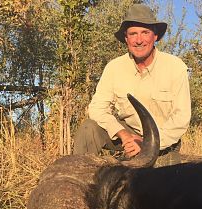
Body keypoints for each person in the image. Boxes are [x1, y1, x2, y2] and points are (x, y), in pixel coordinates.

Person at [73, 3, 191, 166]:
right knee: (89, 128)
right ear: (126, 38)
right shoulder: (114, 67)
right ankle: (80, 177)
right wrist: (123, 134)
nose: (139, 40)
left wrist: (146, 144)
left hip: (162, 143)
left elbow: (181, 118)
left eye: (145, 32)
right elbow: (97, 108)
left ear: (155, 36)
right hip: (127, 138)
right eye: (133, 34)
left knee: (165, 184)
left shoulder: (175, 67)